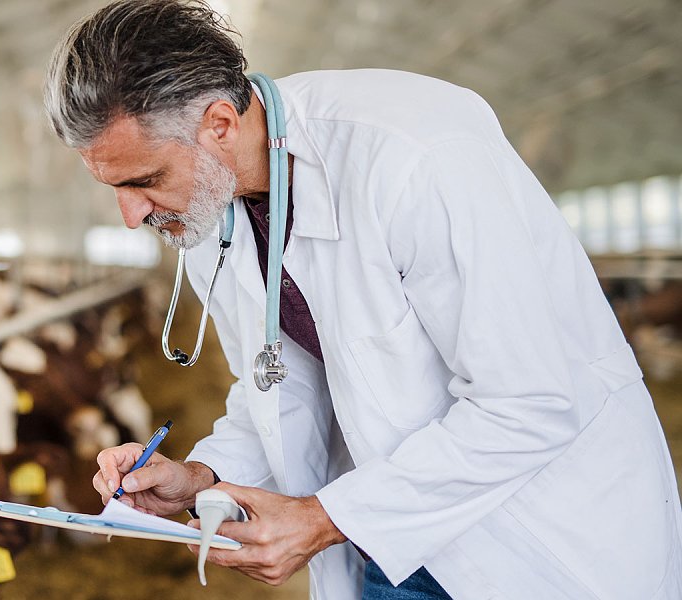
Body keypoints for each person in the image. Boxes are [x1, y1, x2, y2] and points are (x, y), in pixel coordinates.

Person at [43, 1, 682, 598]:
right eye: (114, 188)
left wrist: (323, 518)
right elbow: (277, 384)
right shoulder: (216, 209)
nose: (130, 216)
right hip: (384, 538)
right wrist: (200, 477)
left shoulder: (415, 155)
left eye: (146, 180)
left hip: (532, 535)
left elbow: (528, 400)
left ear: (219, 124)